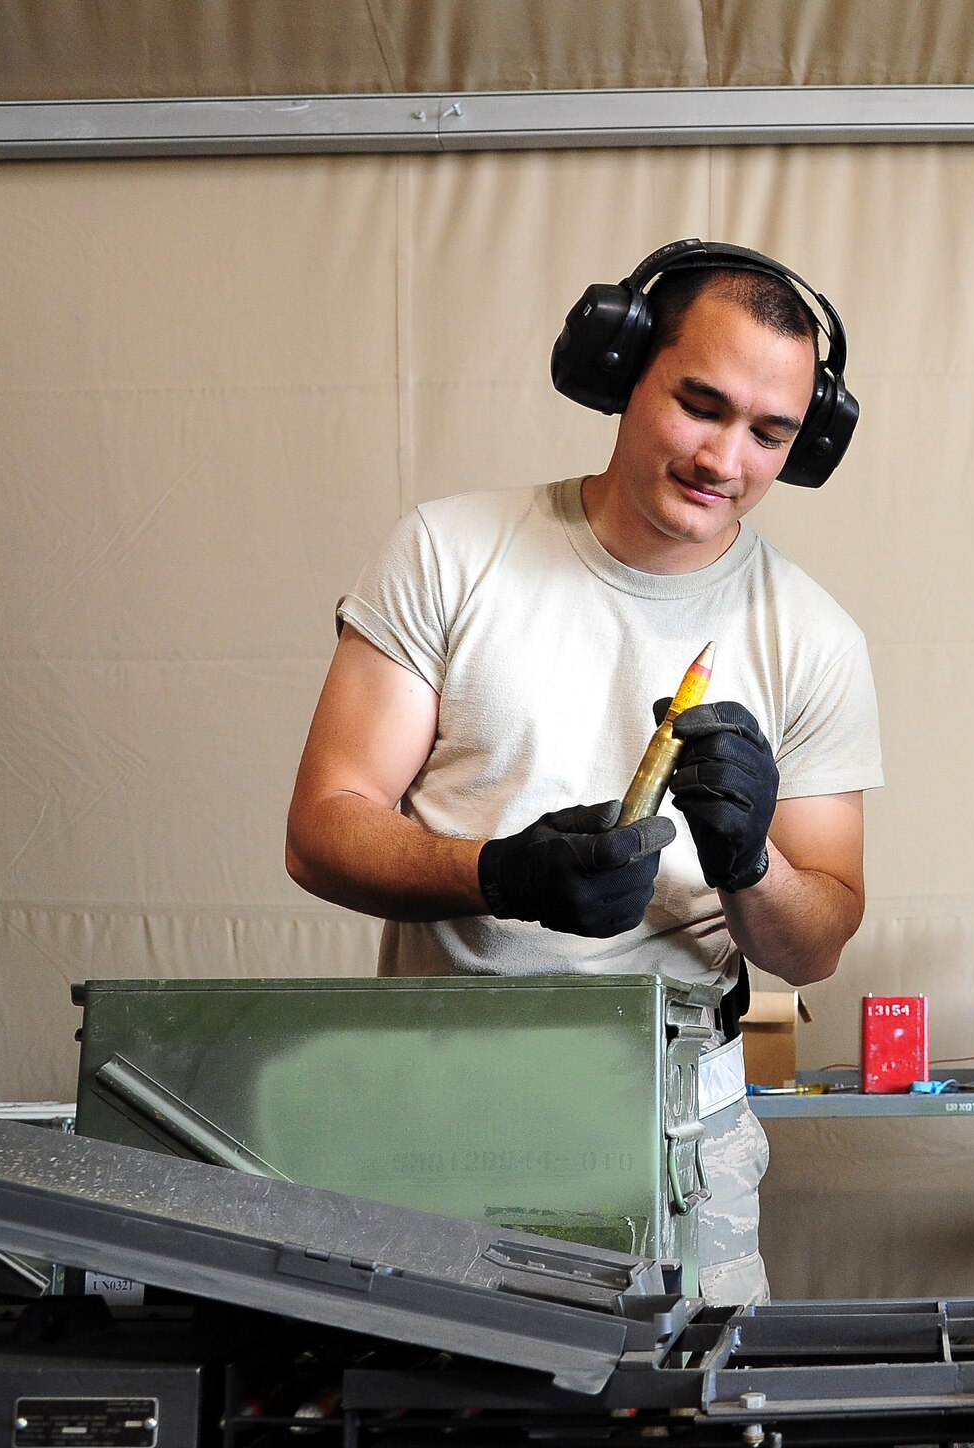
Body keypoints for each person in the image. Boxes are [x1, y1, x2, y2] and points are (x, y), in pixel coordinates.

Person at [286, 241, 883, 1306]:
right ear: (622, 371)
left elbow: (822, 936)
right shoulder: (447, 550)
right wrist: (498, 874)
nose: (725, 459)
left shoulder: (818, 637)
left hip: (675, 1123)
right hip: (435, 1098)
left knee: (681, 1415)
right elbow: (322, 827)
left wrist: (750, 863)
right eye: (700, 405)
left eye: (768, 433)